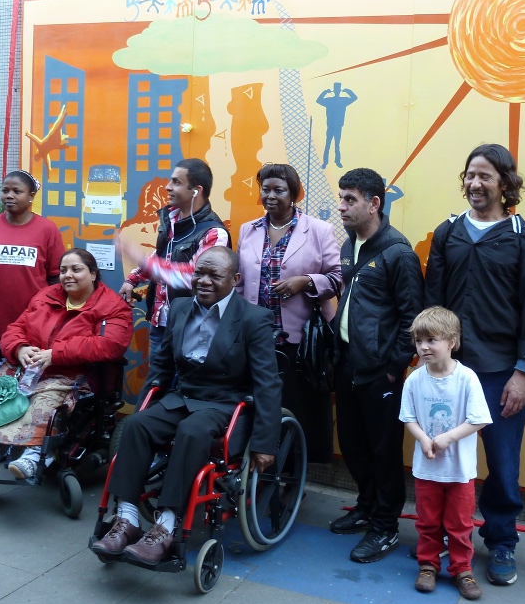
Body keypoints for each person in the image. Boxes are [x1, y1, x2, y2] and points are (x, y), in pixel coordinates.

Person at [91, 247, 281, 566]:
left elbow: (267, 383)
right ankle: (126, 520)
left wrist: (265, 443)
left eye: (214, 275)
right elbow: (162, 367)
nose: (203, 281)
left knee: (191, 431)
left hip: (224, 404)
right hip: (184, 397)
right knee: (137, 426)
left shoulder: (253, 319)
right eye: (199, 274)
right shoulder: (179, 307)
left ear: (234, 280)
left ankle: (166, 526)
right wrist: (145, 408)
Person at [424, 143, 525, 586]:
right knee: (444, 458)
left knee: (503, 462)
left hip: (501, 371)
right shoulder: (448, 232)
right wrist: (427, 362)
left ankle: (501, 542)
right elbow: (432, 305)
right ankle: (440, 539)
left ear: (504, 184)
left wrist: (523, 371)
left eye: (486, 176)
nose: (475, 184)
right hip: (450, 371)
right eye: (470, 175)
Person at [0, 249, 133, 479]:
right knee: (1, 391)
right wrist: (19, 348)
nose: (68, 276)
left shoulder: (111, 306)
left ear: (93, 274)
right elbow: (15, 328)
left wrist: (55, 355)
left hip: (72, 373)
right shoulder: (46, 296)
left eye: (76, 269)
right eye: (63, 270)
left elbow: (110, 345)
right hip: (29, 367)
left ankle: (34, 453)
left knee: (44, 397)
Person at [330, 168, 424, 563]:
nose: (341, 206)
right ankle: (366, 508)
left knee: (384, 451)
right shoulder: (351, 243)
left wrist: (393, 367)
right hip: (348, 364)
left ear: (374, 204)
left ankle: (385, 527)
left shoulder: (398, 253)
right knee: (353, 445)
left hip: (380, 372)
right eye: (341, 198)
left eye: (350, 199)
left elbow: (412, 318)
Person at [235, 163, 342, 462]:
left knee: (296, 408)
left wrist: (305, 282)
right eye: (265, 189)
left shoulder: (319, 230)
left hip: (299, 341)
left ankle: (292, 477)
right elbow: (240, 284)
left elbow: (337, 277)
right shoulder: (248, 229)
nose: (270, 196)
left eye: (278, 190)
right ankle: (258, 473)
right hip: (256, 337)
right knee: (257, 405)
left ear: (293, 194)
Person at [400, 307, 491, 599]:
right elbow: (408, 416)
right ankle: (428, 565)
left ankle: (462, 569)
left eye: (431, 340)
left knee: (460, 523)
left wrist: (447, 438)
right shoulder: (414, 378)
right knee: (427, 521)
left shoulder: (467, 378)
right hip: (427, 469)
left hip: (459, 470)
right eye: (418, 341)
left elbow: (480, 418)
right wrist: (424, 439)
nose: (423, 347)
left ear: (451, 341)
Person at [117, 158, 230, 364]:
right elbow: (162, 257)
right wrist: (133, 279)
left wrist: (138, 256)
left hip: (193, 328)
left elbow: (193, 277)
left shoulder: (214, 232)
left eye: (177, 182)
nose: (168, 187)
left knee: (184, 390)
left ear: (196, 190)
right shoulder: (172, 220)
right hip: (160, 324)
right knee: (157, 386)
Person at [0, 170, 64, 348]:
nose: (9, 195)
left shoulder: (47, 229)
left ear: (31, 196)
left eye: (17, 191)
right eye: (5, 190)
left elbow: (56, 279)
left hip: (32, 325)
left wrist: (52, 317)